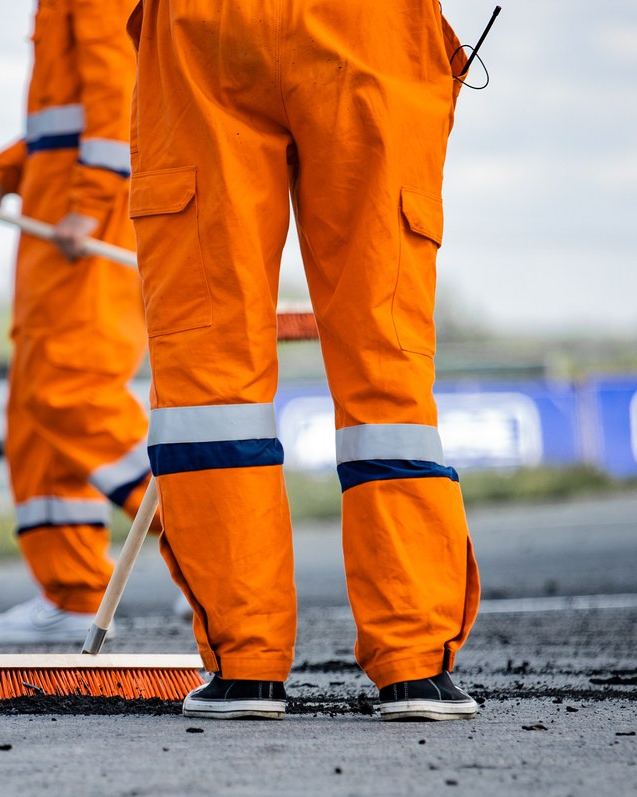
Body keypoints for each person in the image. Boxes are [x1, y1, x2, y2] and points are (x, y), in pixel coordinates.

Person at [130, 0, 482, 720]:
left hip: (205, 32)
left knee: (210, 375)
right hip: (371, 28)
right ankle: (413, 666)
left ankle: (247, 665)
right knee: (385, 361)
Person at [0, 0, 153, 645]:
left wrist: (89, 206)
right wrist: (1, 178)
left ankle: (204, 546)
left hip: (80, 217)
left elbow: (120, 95)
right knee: (40, 407)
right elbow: (57, 121)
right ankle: (72, 591)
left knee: (72, 390)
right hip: (58, 210)